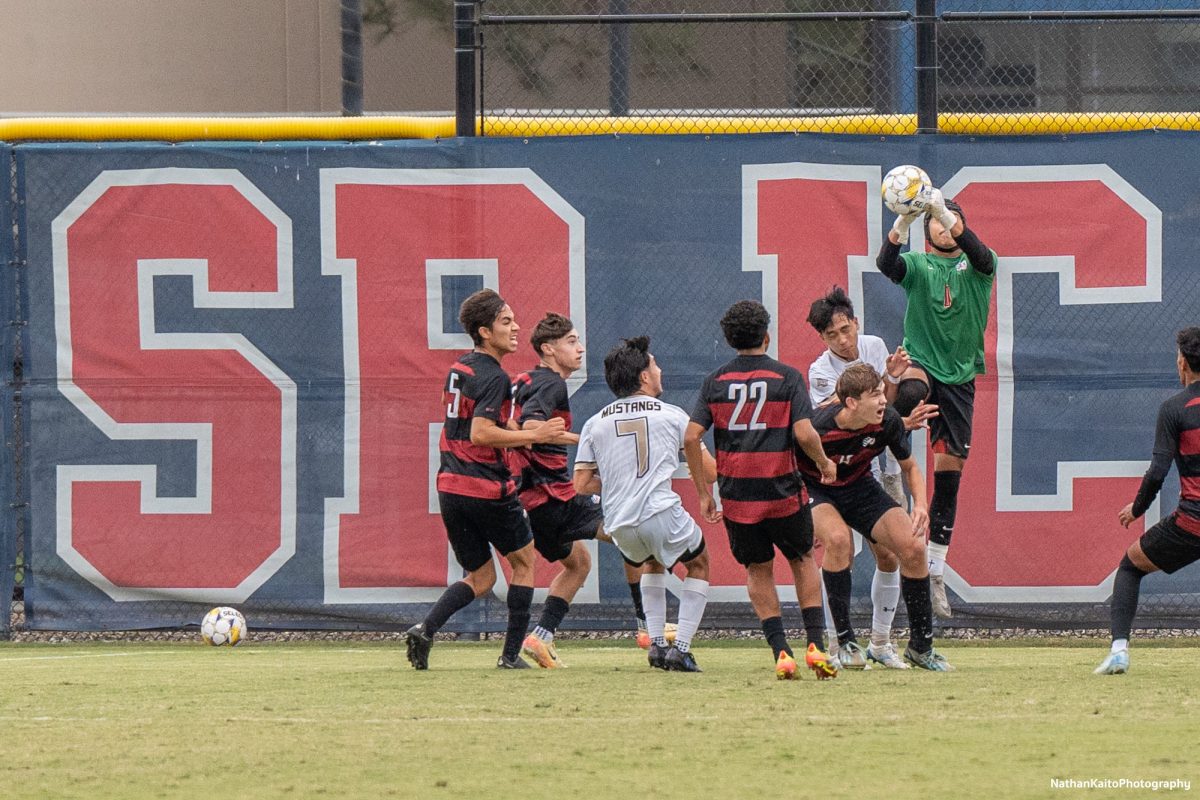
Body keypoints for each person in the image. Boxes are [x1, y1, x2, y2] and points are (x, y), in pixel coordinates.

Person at [405, 289, 567, 671]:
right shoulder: (495, 376)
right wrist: (533, 436)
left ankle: (425, 629)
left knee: (481, 577)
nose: (516, 328)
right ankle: (510, 656)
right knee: (524, 563)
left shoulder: (461, 367)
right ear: (484, 331)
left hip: (450, 486)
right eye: (506, 322)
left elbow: (478, 422)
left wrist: (531, 430)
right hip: (486, 487)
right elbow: (480, 433)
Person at [683, 300, 839, 680]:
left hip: (738, 498)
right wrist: (822, 462)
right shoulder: (786, 378)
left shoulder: (714, 382)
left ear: (729, 340)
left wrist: (704, 492)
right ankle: (816, 645)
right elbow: (804, 432)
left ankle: (781, 652)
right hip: (783, 491)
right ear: (766, 336)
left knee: (758, 569)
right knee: (802, 558)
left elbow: (690, 436)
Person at [877, 185, 997, 618]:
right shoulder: (918, 265)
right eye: (934, 220)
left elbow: (979, 252)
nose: (942, 227)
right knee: (908, 392)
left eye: (945, 219)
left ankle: (937, 571)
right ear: (926, 230)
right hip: (921, 362)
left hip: (961, 377)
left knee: (949, 480)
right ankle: (890, 464)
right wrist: (902, 222)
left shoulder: (980, 267)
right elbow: (885, 264)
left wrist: (942, 210)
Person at [805, 286, 938, 669]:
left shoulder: (875, 346)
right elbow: (845, 411)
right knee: (838, 542)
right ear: (822, 338)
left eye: (846, 329)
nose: (843, 340)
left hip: (871, 468)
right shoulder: (819, 375)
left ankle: (885, 644)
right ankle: (839, 643)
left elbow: (882, 404)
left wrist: (893, 395)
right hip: (825, 479)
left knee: (903, 550)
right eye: (832, 335)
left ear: (856, 323)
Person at [509, 313, 648, 668]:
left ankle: (541, 637)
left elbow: (513, 424)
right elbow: (532, 426)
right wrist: (589, 442)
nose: (580, 347)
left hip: (531, 504)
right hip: (556, 498)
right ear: (548, 349)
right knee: (635, 536)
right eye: (571, 341)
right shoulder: (551, 383)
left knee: (579, 563)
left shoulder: (522, 380)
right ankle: (646, 625)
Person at [574, 336, 717, 673]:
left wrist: (621, 483)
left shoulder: (595, 422)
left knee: (652, 564)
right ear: (643, 377)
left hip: (619, 521)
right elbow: (710, 471)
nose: (660, 369)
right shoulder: (673, 415)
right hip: (659, 510)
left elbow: (581, 483)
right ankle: (680, 647)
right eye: (654, 365)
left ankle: (655, 646)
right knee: (699, 564)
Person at [797, 363, 953, 671]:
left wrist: (920, 504)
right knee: (839, 540)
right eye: (875, 395)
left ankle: (921, 647)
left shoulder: (888, 421)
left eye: (882, 393)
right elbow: (788, 467)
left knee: (913, 547)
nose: (884, 401)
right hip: (818, 489)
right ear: (852, 402)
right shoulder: (818, 426)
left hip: (860, 488)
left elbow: (910, 467)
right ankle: (845, 643)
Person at [1096, 327, 1200, 675]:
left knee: (1130, 566)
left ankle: (1119, 652)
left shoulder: (1174, 409)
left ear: (1183, 362)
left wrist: (1136, 509)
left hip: (1192, 524)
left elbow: (1158, 471)